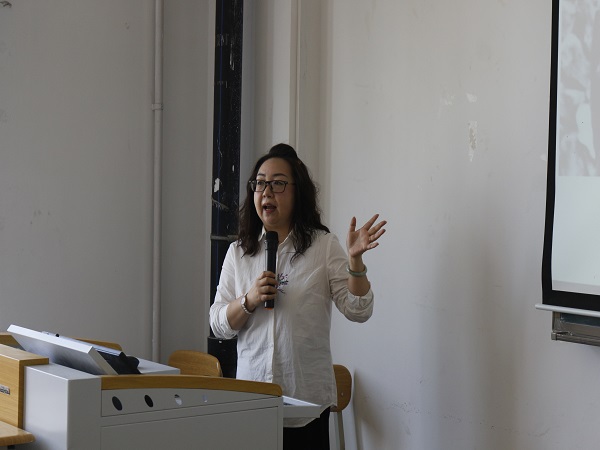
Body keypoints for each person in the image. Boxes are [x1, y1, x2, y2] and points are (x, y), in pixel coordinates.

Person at [209, 143, 386, 450]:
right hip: (253, 404)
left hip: (306, 406)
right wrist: (248, 300)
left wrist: (355, 262)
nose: (267, 191)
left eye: (278, 183)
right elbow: (217, 324)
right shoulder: (239, 252)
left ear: (297, 192)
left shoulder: (323, 246)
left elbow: (358, 309)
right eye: (260, 183)